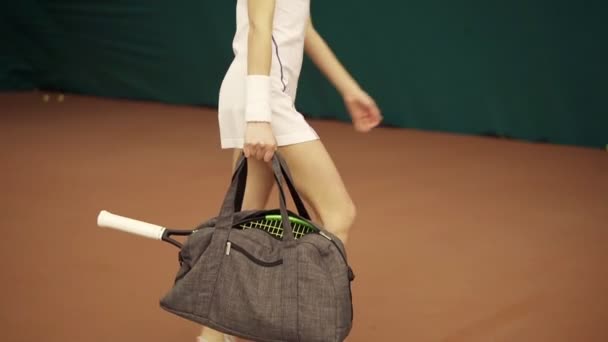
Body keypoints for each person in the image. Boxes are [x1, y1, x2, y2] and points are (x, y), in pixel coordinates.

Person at [198, 0, 382, 341]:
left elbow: (304, 28)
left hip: (262, 98)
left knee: (244, 226)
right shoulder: (262, 105)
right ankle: (313, 328)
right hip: (264, 101)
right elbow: (258, 27)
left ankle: (213, 335)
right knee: (339, 214)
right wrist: (258, 117)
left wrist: (349, 89)